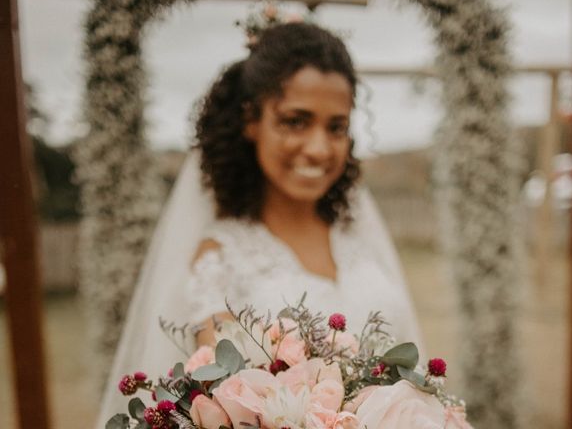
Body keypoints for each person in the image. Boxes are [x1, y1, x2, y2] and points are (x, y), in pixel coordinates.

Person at [96, 22, 421, 427]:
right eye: (295, 121)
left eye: (336, 127)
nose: (319, 148)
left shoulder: (358, 233)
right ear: (251, 120)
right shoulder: (219, 258)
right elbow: (225, 410)